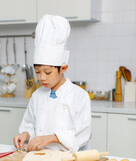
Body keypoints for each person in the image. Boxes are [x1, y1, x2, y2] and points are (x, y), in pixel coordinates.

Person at [13, 14, 91, 153]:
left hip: (67, 160)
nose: (42, 78)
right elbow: (30, 123)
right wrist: (25, 134)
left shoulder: (79, 96)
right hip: (39, 156)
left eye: (47, 72)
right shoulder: (37, 95)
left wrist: (52, 138)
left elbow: (82, 134)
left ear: (63, 68)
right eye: (37, 72)